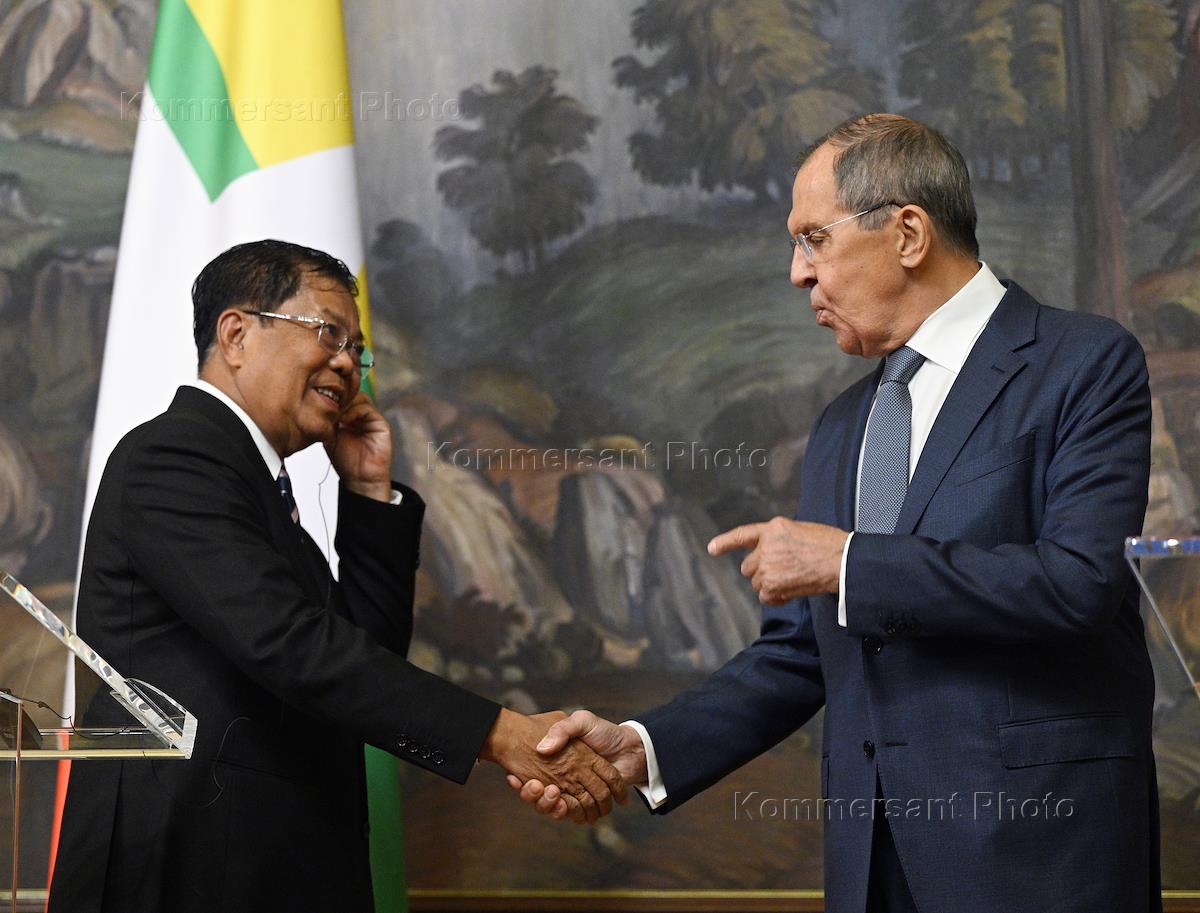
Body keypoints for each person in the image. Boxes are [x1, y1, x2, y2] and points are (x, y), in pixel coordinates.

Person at [517, 115, 1160, 913]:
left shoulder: (1084, 363)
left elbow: (1078, 582)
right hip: (868, 870)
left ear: (908, 234)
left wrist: (848, 561)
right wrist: (644, 749)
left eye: (813, 239)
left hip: (1038, 860)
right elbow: (799, 655)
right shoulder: (839, 427)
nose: (797, 273)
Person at [48, 240, 624, 913]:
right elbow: (293, 646)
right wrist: (502, 735)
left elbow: (360, 656)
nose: (349, 364)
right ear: (236, 334)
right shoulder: (176, 456)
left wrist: (369, 491)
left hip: (268, 861)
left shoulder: (257, 484)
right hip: (186, 865)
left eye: (357, 349)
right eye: (328, 333)